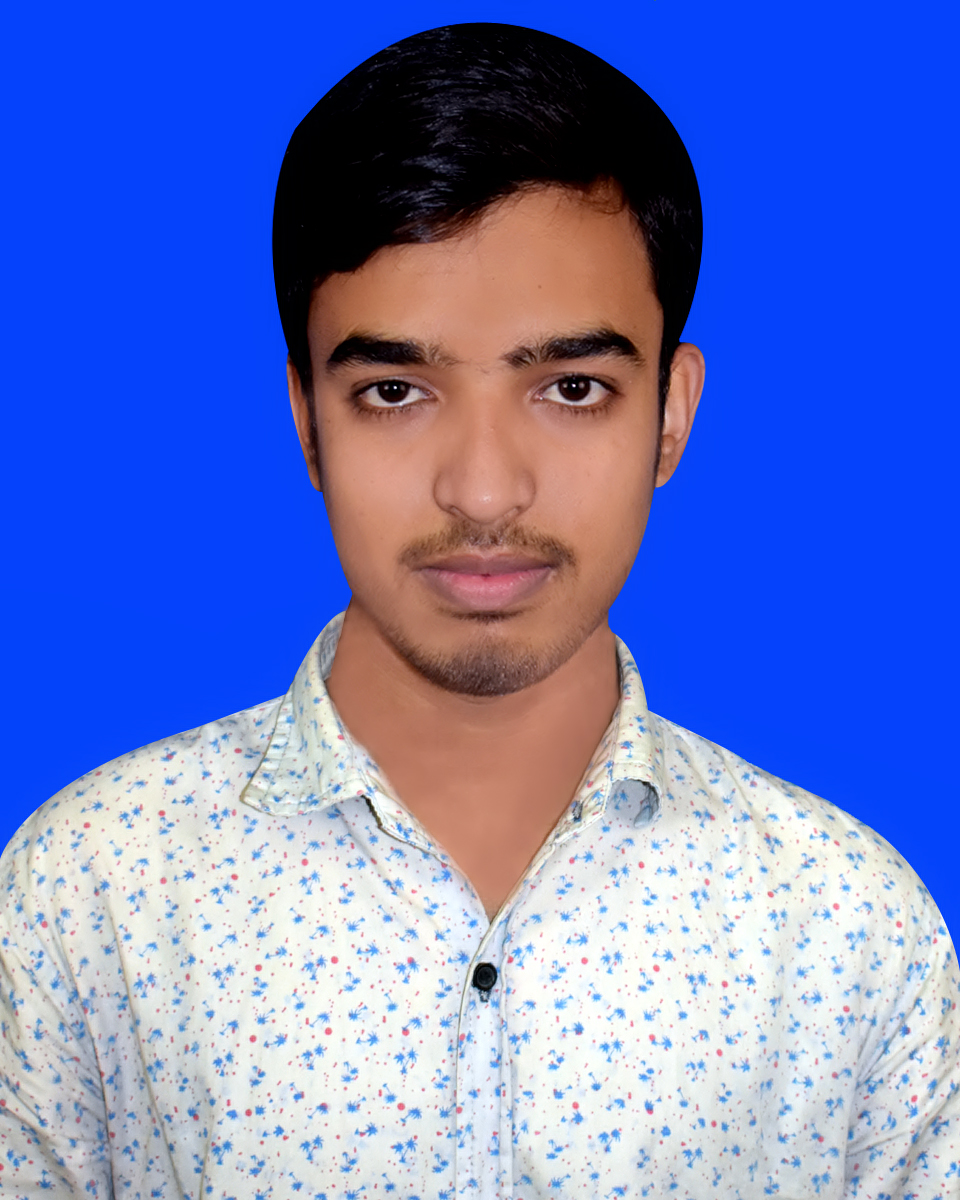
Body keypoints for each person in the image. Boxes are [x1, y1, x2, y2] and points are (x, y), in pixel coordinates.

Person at [1, 22, 957, 1199]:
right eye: (395, 392)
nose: (486, 490)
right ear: (306, 420)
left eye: (573, 388)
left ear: (671, 413)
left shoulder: (852, 927)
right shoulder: (85, 893)